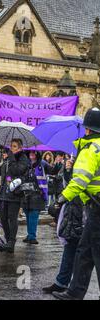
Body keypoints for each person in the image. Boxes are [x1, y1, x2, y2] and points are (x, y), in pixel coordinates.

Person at [53, 107, 100, 300]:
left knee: (93, 252)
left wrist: (60, 199)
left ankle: (75, 292)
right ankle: (75, 292)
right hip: (95, 206)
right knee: (85, 251)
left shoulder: (90, 149)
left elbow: (80, 181)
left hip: (97, 207)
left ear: (87, 129)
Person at [43, 156, 84, 294]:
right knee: (70, 246)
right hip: (75, 210)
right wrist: (68, 170)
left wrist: (60, 200)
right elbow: (72, 182)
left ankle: (69, 287)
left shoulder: (91, 152)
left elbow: (80, 184)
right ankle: (62, 282)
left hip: (85, 211)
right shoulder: (82, 153)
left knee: (88, 253)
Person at [21, 151, 61, 245]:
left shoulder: (42, 163)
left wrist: (58, 163)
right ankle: (29, 235)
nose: (32, 154)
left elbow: (52, 171)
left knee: (33, 215)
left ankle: (32, 236)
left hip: (37, 194)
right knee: (27, 215)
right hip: (26, 194)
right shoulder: (25, 163)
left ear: (37, 154)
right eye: (30, 152)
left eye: (34, 152)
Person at [0, 139, 28, 253]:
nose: (11, 148)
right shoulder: (9, 159)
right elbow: (4, 174)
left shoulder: (23, 158)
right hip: (5, 192)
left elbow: (17, 170)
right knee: (3, 218)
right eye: (11, 146)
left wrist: (12, 159)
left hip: (15, 194)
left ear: (20, 148)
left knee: (12, 218)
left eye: (14, 146)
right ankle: (8, 240)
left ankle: (11, 243)